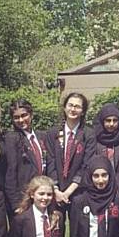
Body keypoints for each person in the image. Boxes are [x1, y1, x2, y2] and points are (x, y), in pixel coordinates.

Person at [45, 92, 95, 229]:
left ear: (83, 111)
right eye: (70, 105)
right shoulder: (52, 133)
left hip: (78, 192)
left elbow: (86, 166)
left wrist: (67, 192)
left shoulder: (88, 134)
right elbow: (51, 162)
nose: (73, 109)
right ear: (65, 107)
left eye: (77, 107)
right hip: (56, 192)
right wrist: (56, 191)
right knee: (55, 232)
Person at [4, 99, 47, 215]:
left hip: (43, 195)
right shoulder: (12, 138)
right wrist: (15, 204)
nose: (21, 120)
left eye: (24, 115)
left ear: (31, 114)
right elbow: (10, 172)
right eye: (16, 117)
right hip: (23, 198)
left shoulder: (42, 136)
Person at [92, 103, 119, 196]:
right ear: (102, 121)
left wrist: (116, 185)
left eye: (115, 120)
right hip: (98, 186)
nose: (111, 124)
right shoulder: (94, 137)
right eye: (108, 120)